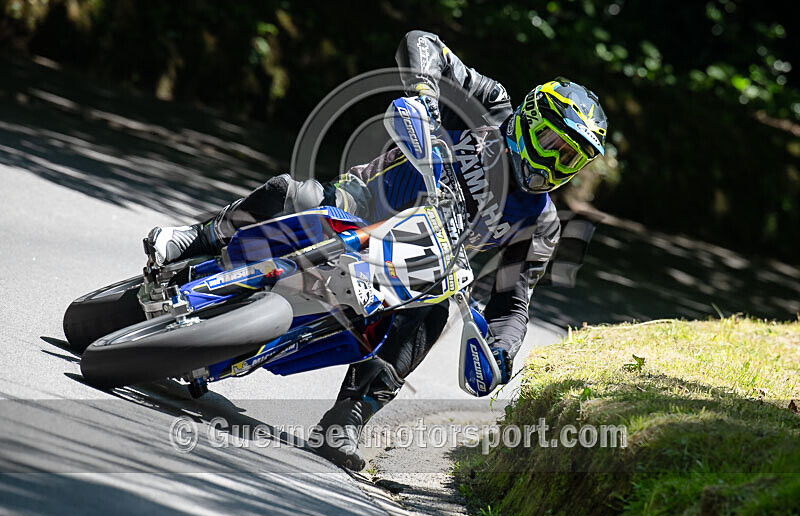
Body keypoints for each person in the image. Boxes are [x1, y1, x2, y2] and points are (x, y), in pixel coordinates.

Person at [148, 30, 608, 470]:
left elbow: (513, 302)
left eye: (570, 158)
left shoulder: (541, 222)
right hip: (364, 203)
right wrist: (426, 96)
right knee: (296, 194)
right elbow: (422, 43)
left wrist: (501, 352)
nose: (554, 162)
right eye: (551, 143)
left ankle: (349, 417)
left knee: (435, 312)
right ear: (530, 118)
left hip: (421, 264)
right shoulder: (489, 104)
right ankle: (200, 237)